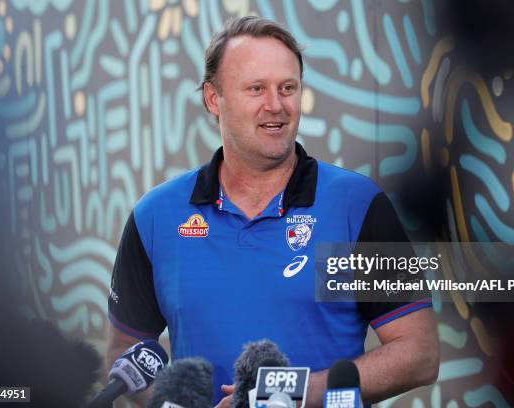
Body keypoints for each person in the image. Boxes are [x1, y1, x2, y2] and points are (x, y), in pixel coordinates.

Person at [106, 16, 439, 407]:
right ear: (214, 98)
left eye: (287, 88)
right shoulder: (156, 216)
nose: (276, 106)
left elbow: (418, 354)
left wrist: (301, 393)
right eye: (256, 89)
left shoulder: (357, 205)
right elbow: (124, 355)